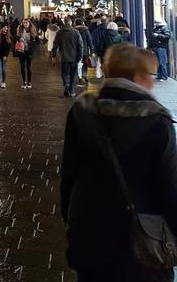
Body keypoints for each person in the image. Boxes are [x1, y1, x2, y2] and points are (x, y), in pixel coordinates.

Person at [60, 44, 177, 282]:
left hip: (89, 231)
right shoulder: (157, 120)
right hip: (140, 239)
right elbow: (170, 188)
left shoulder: (81, 111)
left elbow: (69, 175)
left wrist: (71, 219)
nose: (153, 82)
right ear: (138, 76)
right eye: (151, 76)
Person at [52, 18, 83, 98]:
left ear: (63, 23)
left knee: (65, 73)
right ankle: (72, 90)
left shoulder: (59, 33)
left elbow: (55, 45)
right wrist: (80, 56)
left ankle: (66, 84)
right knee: (73, 74)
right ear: (71, 23)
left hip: (64, 57)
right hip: (74, 57)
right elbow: (80, 46)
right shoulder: (76, 32)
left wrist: (53, 56)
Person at [15, 18, 38, 89]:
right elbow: (16, 38)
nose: (25, 24)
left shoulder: (33, 30)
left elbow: (37, 41)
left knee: (28, 66)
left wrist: (33, 47)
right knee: (22, 66)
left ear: (29, 23)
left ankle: (29, 82)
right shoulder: (20, 29)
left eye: (27, 23)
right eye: (24, 23)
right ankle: (24, 82)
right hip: (21, 50)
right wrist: (19, 39)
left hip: (29, 51)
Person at [74, 18, 94, 85]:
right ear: (82, 23)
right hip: (85, 50)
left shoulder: (74, 30)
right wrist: (92, 50)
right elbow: (90, 41)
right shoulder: (86, 30)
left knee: (78, 63)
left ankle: (80, 77)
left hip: (76, 50)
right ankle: (85, 76)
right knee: (85, 64)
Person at [0, 23, 11, 88]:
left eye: (6, 27)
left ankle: (3, 82)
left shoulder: (8, 35)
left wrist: (6, 55)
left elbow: (9, 47)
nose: (5, 28)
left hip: (4, 55)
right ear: (1, 28)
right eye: (4, 27)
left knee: (3, 69)